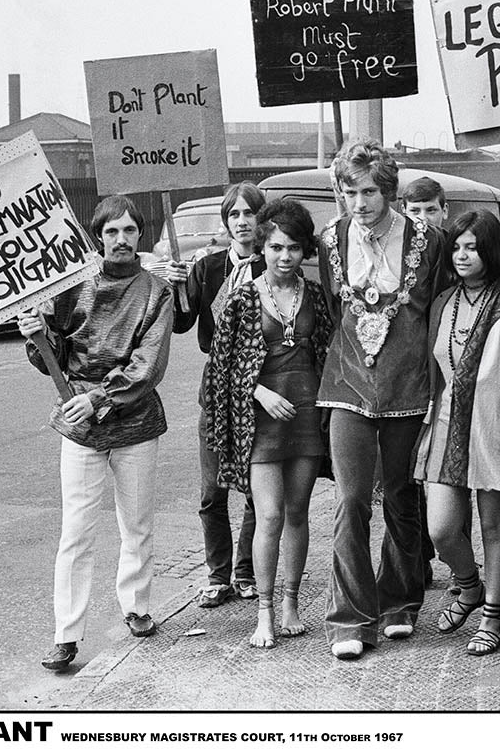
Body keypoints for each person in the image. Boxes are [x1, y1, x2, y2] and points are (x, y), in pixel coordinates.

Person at [19, 195, 174, 672]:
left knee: (137, 522)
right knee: (76, 531)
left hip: (134, 420)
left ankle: (137, 605)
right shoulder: (73, 285)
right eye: (111, 231)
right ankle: (66, 635)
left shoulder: (156, 291)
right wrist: (35, 332)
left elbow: (148, 365)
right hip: (78, 423)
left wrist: (101, 398)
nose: (121, 240)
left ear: (140, 236)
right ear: (98, 235)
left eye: (129, 230)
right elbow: (53, 355)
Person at [317, 139, 447, 660]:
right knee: (350, 500)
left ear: (388, 190)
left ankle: (399, 601)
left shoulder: (428, 241)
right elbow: (333, 307)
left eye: (369, 191)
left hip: (408, 386)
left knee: (399, 495)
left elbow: (435, 311)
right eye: (350, 191)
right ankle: (350, 617)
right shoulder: (331, 239)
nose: (360, 202)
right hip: (347, 385)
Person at [414, 210, 500, 656]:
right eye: (456, 247)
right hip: (447, 425)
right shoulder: (444, 302)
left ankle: (493, 614)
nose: (462, 255)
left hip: (496, 427)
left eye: (471, 246)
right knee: (441, 529)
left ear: (490, 249)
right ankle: (469, 585)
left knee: (494, 525)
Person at [204, 199, 334, 649]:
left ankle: (291, 604)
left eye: (294, 248)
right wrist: (258, 391)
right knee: (270, 514)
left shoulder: (315, 295)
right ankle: (263, 611)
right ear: (262, 246)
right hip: (260, 421)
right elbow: (220, 366)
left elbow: (329, 350)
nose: (285, 256)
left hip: (306, 415)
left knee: (298, 513)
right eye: (277, 247)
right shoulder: (242, 298)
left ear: (305, 251)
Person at [164, 183, 267, 610]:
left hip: (261, 383)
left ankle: (246, 571)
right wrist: (174, 288)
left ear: (262, 220)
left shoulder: (274, 263)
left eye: (249, 214)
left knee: (257, 487)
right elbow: (182, 324)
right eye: (234, 216)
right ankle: (217, 575)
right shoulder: (207, 268)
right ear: (225, 223)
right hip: (217, 385)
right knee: (212, 489)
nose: (242, 223)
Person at [398, 175, 452, 591]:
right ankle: (418, 561)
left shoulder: (457, 253)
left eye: (430, 210)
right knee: (409, 474)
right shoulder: (397, 257)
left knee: (450, 471)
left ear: (443, 211)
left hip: (446, 377)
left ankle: (457, 556)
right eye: (414, 212)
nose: (422, 219)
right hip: (406, 375)